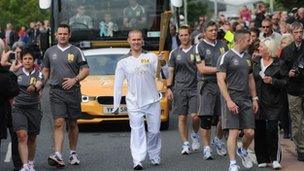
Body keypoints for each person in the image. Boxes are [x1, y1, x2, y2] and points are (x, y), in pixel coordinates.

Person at [113, 29, 165, 170]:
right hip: (134, 102)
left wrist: (161, 63)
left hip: (152, 100)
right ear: (129, 41)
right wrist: (116, 105)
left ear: (142, 41)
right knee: (137, 131)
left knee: (154, 131)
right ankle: (138, 160)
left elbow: (160, 75)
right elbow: (117, 85)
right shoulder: (123, 62)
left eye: (138, 39)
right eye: (133, 39)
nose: (136, 42)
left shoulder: (151, 57)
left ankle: (154, 154)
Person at [42, 24, 90, 167]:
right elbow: (45, 70)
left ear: (69, 35)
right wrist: (41, 84)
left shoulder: (76, 51)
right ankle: (57, 154)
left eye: (65, 34)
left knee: (72, 123)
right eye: (60, 34)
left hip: (73, 91)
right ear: (56, 35)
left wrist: (74, 80)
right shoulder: (49, 52)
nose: (62, 36)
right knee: (58, 122)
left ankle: (73, 153)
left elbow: (85, 70)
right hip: (56, 92)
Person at [217, 30, 259, 171]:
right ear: (240, 40)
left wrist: (254, 98)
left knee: (250, 133)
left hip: (246, 99)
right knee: (233, 132)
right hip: (231, 98)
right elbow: (220, 80)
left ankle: (243, 150)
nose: (250, 41)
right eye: (248, 39)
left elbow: (251, 78)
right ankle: (233, 163)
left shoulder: (247, 57)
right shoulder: (226, 57)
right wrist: (228, 100)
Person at [166, 25, 202, 155]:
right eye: (181, 35)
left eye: (186, 34)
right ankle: (185, 144)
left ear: (190, 35)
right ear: (178, 36)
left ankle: (195, 134)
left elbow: (201, 69)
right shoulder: (174, 53)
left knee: (196, 117)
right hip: (179, 88)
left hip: (194, 88)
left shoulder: (196, 51)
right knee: (182, 117)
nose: (183, 37)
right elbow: (171, 72)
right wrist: (169, 88)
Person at [195, 21, 228, 160]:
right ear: (204, 33)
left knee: (223, 117)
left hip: (223, 84)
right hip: (207, 85)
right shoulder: (199, 47)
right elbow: (202, 69)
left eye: (215, 30)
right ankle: (207, 148)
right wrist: (220, 69)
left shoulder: (223, 44)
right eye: (210, 30)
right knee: (206, 118)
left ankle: (218, 139)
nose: (214, 32)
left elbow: (230, 57)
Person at [253, 38, 286, 169]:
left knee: (272, 130)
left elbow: (285, 83)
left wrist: (272, 81)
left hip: (273, 103)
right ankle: (261, 158)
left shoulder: (279, 64)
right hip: (258, 102)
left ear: (268, 49)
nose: (259, 48)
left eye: (261, 46)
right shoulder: (255, 63)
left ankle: (274, 159)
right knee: (259, 130)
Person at [9, 48, 44, 171]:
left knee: (32, 137)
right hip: (18, 109)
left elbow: (40, 83)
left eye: (30, 59)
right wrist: (11, 71)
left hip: (33, 108)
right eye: (25, 59)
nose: (27, 61)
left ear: (33, 60)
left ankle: (30, 162)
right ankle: (24, 166)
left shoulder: (38, 72)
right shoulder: (16, 72)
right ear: (21, 60)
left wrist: (34, 87)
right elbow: (7, 84)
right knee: (22, 135)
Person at [280, 21, 304, 161]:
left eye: (301, 32)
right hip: (293, 89)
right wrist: (288, 73)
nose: (299, 35)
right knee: (296, 120)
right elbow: (282, 69)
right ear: (292, 33)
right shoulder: (287, 50)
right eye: (296, 32)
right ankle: (301, 149)